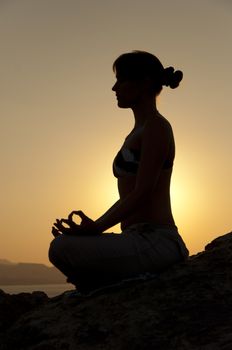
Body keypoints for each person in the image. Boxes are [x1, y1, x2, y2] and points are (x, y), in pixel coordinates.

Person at [49, 50, 189, 294]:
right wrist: (92, 229)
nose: (114, 88)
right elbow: (132, 195)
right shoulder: (137, 131)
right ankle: (111, 285)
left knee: (62, 247)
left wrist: (96, 228)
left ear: (144, 83)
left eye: (121, 80)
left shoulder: (156, 127)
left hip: (157, 240)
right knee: (62, 247)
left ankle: (117, 284)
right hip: (137, 238)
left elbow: (143, 191)